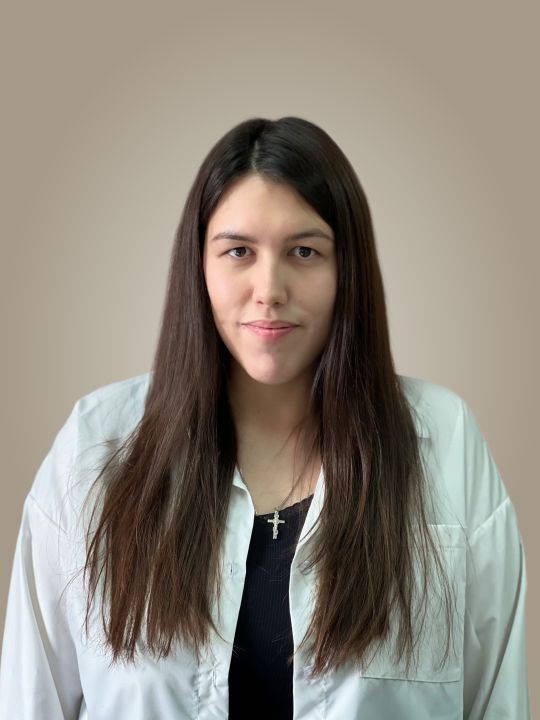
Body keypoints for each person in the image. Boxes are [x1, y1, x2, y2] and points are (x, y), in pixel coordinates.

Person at [0, 116, 531, 719]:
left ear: (347, 270)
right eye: (239, 252)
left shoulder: (446, 441)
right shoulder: (95, 446)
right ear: (199, 267)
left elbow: (498, 702)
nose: (269, 288)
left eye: (304, 252)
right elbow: (30, 702)